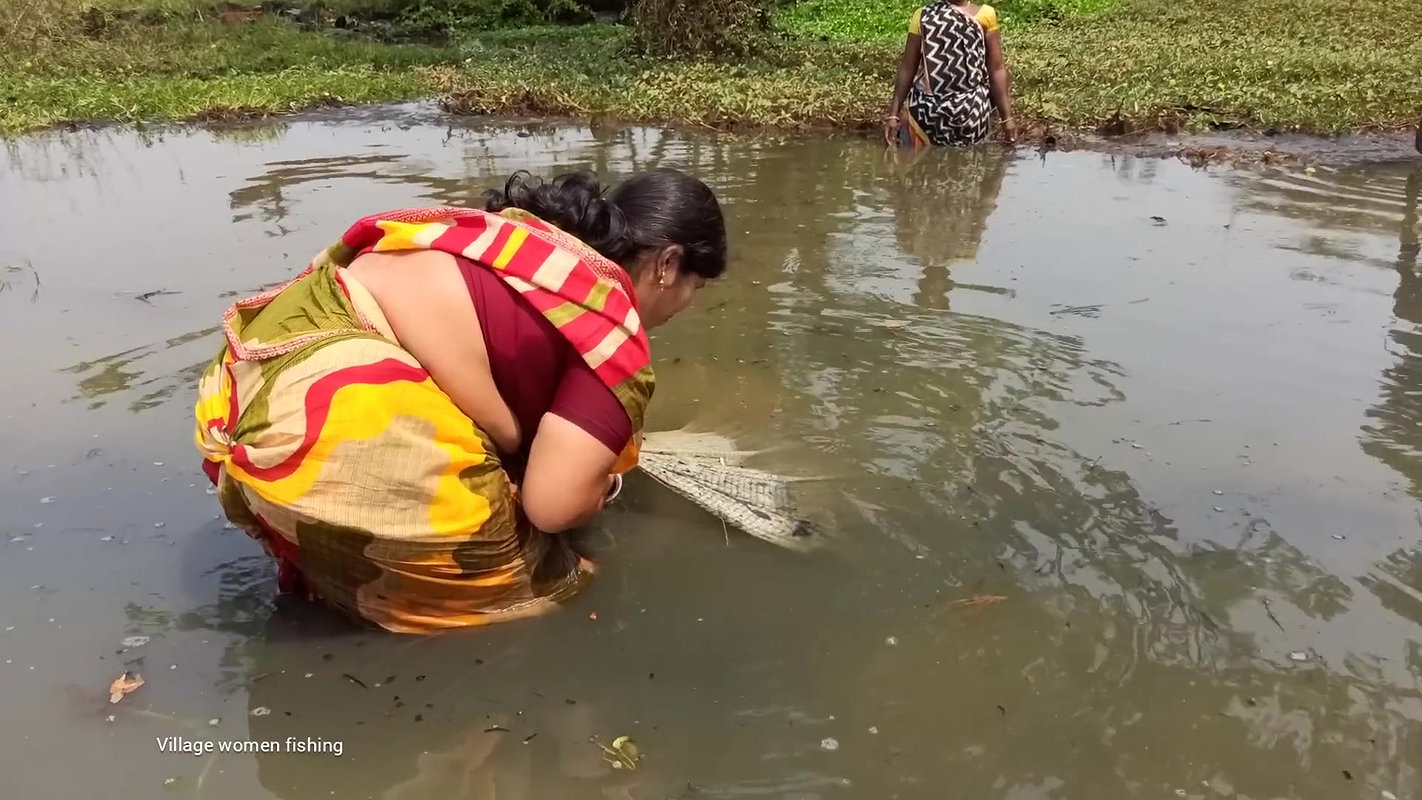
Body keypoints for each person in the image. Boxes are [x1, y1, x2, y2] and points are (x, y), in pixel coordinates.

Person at [193, 169, 727, 633]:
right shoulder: (608, 328)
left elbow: (450, 345)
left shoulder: (503, 245)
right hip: (339, 434)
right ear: (668, 263)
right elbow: (554, 506)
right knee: (564, 584)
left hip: (248, 388)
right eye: (695, 287)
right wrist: (602, 488)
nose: (685, 305)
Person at [884, 0, 1017, 148]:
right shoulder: (923, 16)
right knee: (922, 168)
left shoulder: (985, 15)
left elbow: (996, 69)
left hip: (972, 115)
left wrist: (1007, 118)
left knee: (972, 166)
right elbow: (908, 68)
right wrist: (893, 115)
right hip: (926, 114)